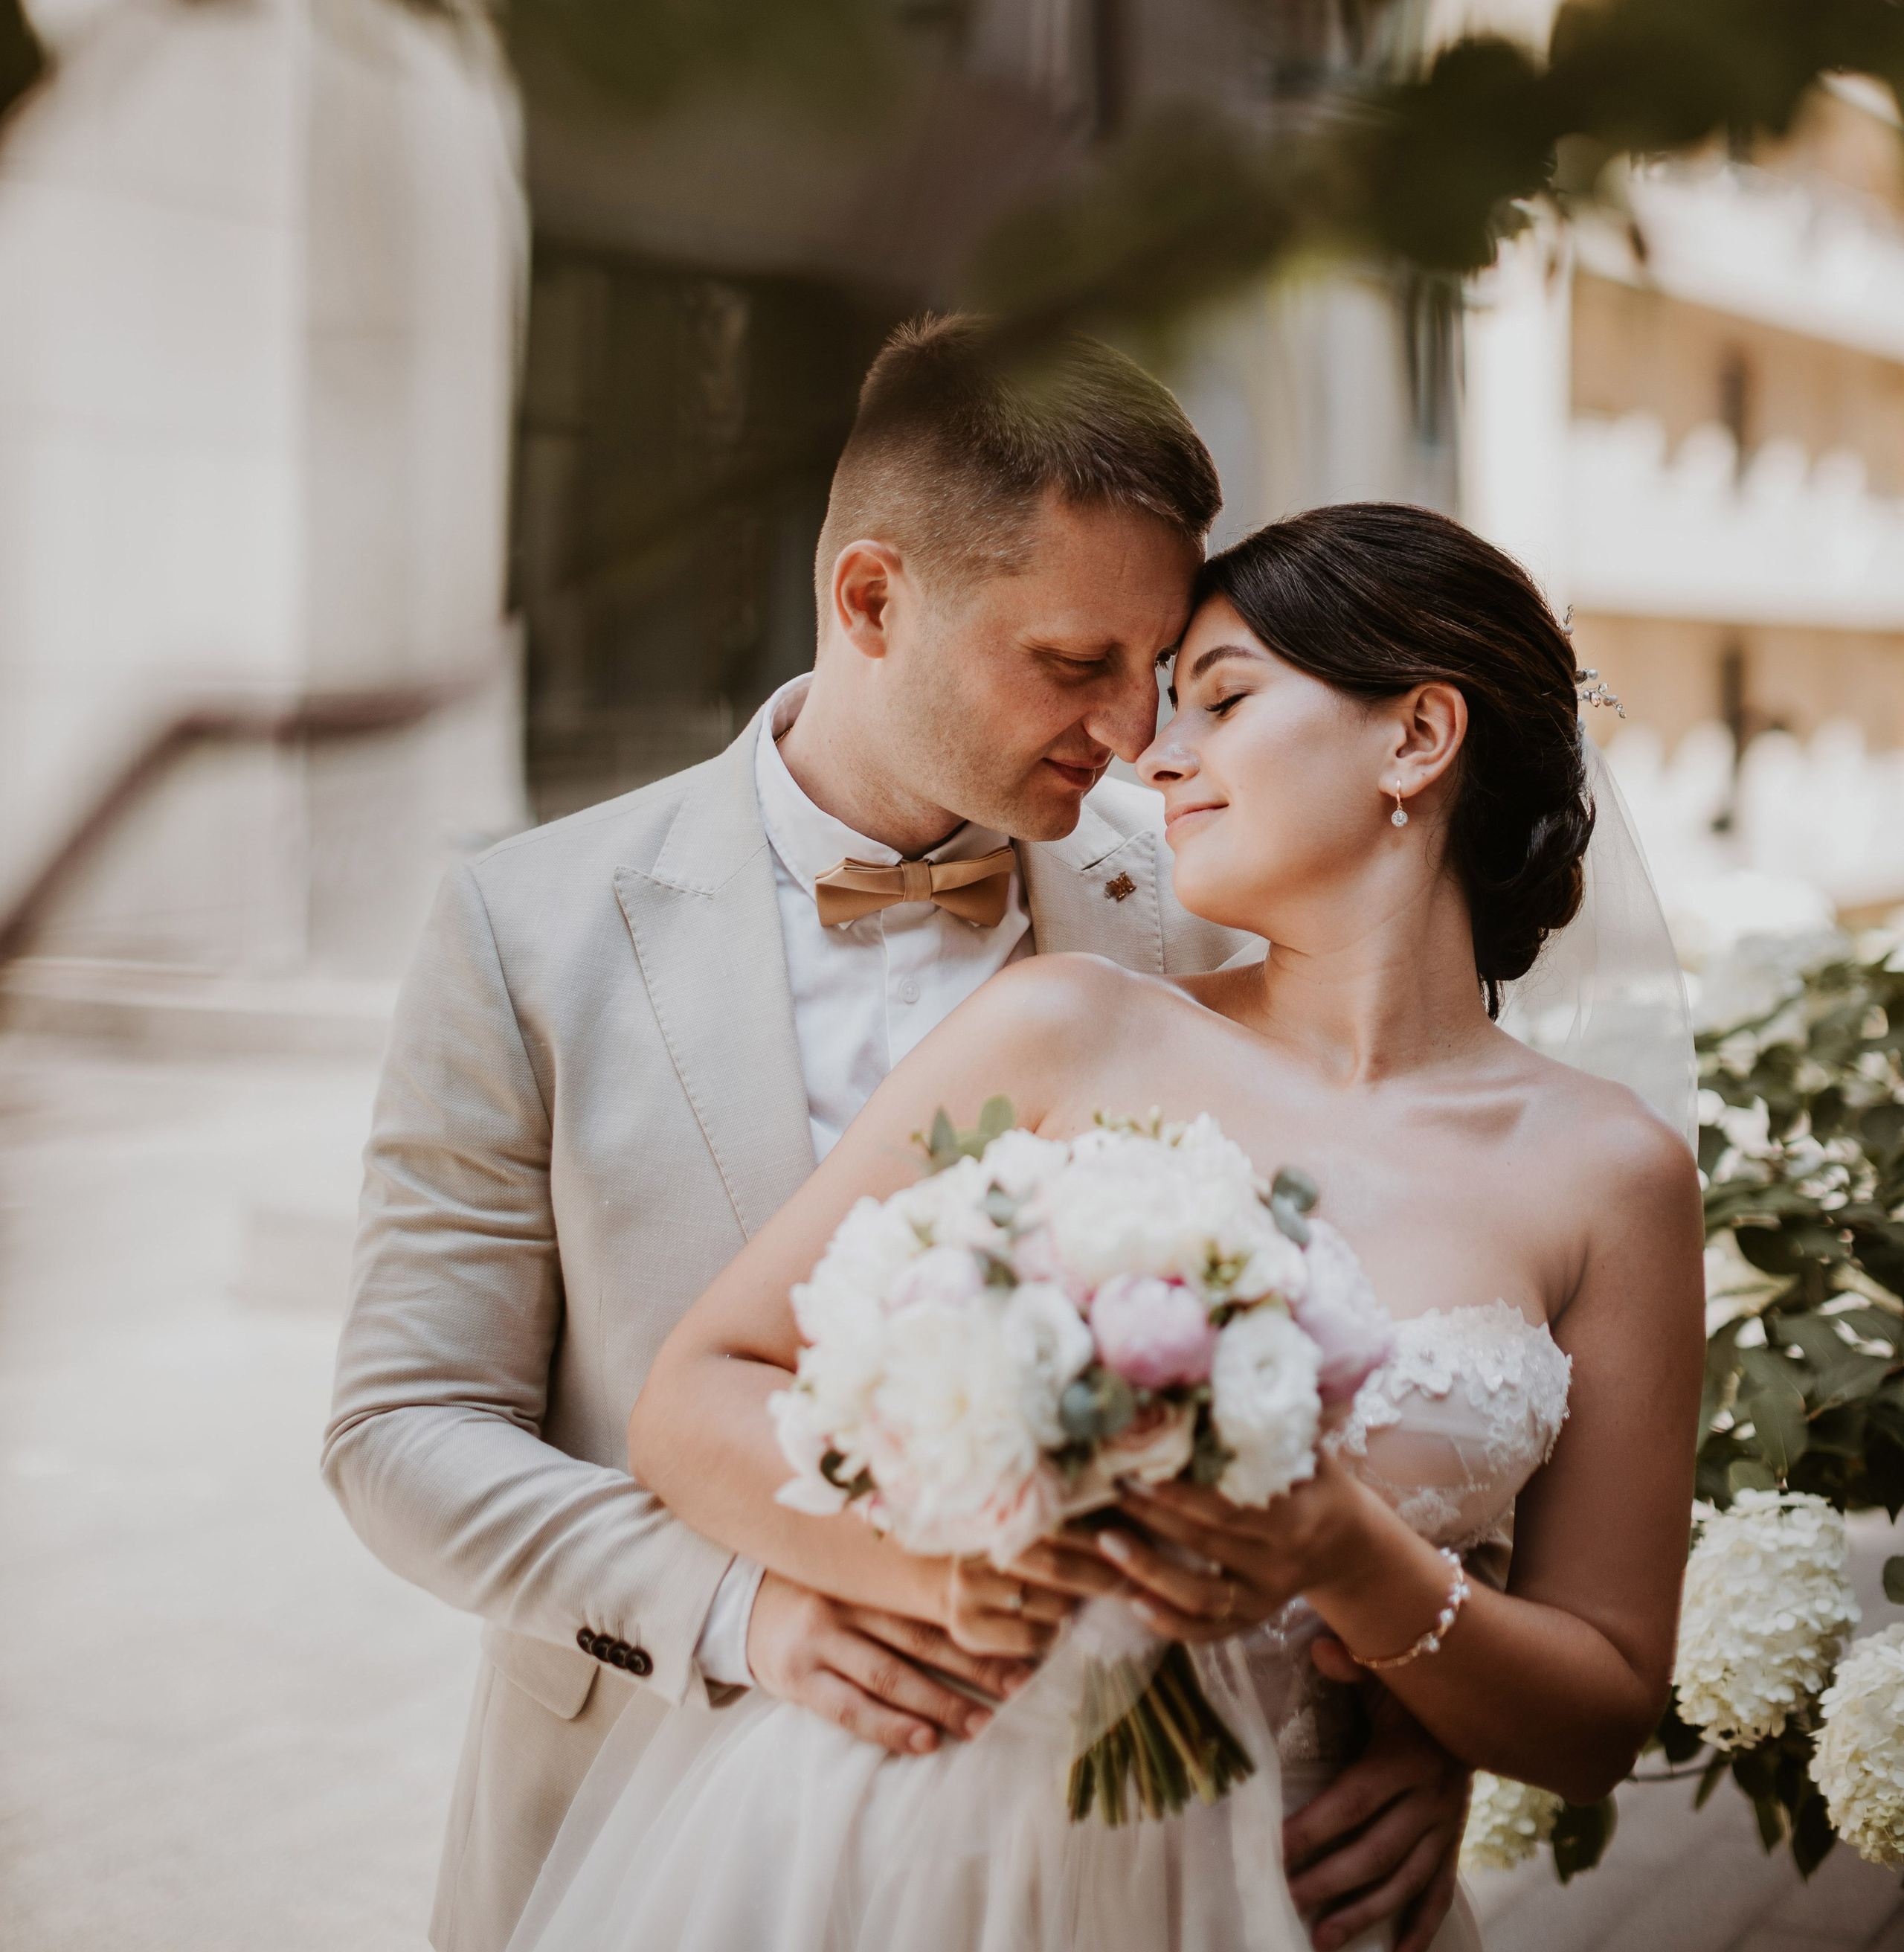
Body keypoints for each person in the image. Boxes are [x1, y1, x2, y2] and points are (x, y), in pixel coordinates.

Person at [323, 327, 1470, 1952]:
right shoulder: (525, 930)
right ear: (870, 601)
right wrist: (744, 1608)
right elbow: (402, 1427)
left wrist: (1423, 1722)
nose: (1137, 732)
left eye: (1159, 665)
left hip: (1130, 1850)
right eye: (1075, 662)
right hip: (649, 1815)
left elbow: (1408, 1300)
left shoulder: (1192, 904)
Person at [503, 500, 1706, 1952]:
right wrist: (955, 1574)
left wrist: (1352, 1560)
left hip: (1291, 1893)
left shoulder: (1612, 1176)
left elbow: (1592, 1717)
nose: (1154, 752)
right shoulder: (1063, 1028)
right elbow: (695, 1396)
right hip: (914, 1851)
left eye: (1220, 699)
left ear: (1414, 737)